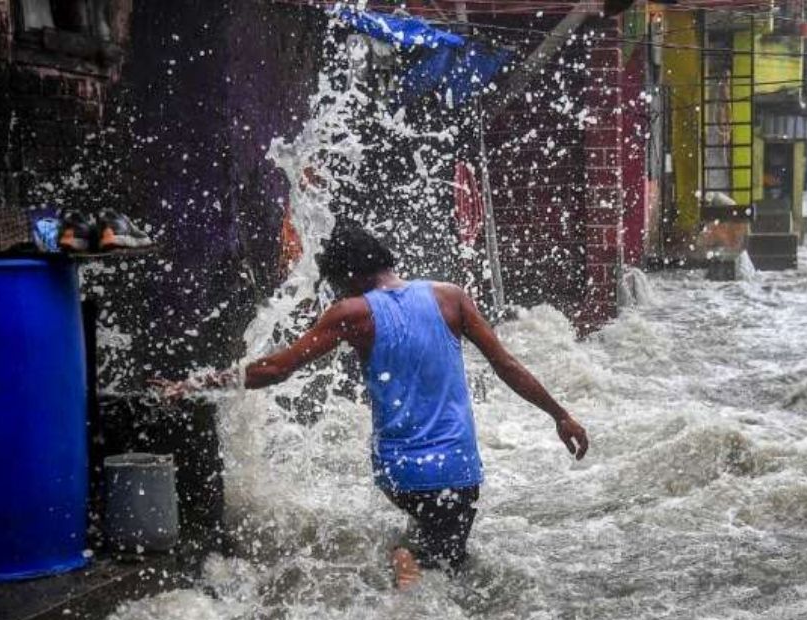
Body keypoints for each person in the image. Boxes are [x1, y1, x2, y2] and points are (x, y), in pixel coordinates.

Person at [155, 222, 588, 588]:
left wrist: (198, 383)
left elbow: (275, 369)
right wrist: (560, 415)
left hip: (399, 471)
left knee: (442, 556)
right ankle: (407, 561)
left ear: (349, 275)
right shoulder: (450, 298)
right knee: (445, 559)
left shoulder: (351, 312)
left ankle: (408, 560)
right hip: (460, 466)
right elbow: (506, 365)